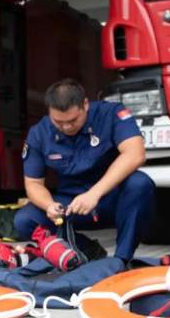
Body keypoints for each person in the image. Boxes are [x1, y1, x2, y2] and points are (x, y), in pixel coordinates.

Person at [14, 78, 155, 263]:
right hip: (71, 205)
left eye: (73, 120)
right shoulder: (39, 133)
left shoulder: (111, 113)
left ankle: (121, 260)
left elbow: (136, 154)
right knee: (24, 221)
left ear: (85, 105)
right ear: (49, 112)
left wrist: (94, 194)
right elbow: (33, 183)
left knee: (139, 183)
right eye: (58, 122)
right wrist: (49, 205)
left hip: (111, 198)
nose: (66, 127)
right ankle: (86, 250)